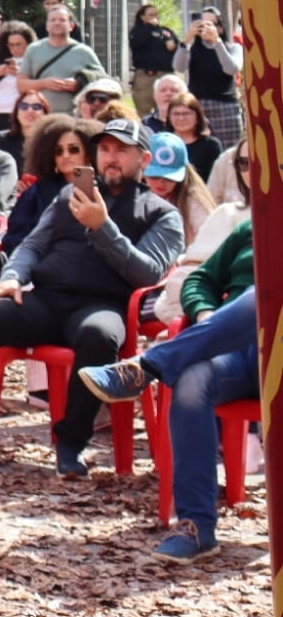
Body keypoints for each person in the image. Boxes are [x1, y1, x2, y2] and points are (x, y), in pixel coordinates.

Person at [0, 119, 183, 478]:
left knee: (99, 336)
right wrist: (13, 277)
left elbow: (148, 273)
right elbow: (33, 243)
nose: (111, 158)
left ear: (143, 160)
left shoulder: (161, 213)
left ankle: (71, 443)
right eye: (106, 149)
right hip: (47, 300)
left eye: (121, 151)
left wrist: (103, 228)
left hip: (103, 306)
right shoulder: (69, 195)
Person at [78, 192, 256, 562]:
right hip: (238, 351)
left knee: (263, 295)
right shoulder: (253, 230)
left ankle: (146, 367)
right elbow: (199, 280)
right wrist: (207, 315)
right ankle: (197, 527)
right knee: (191, 382)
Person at [153, 136, 250, 325]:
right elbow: (193, 277)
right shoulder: (229, 214)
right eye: (244, 163)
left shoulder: (193, 201)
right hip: (225, 323)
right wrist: (205, 315)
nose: (254, 170)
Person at [5, 115, 103, 253]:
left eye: (73, 149)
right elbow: (14, 238)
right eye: (58, 151)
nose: (65, 155)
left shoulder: (104, 189)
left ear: (88, 154)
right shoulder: (36, 192)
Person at [174, 7, 245, 147]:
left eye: (210, 24)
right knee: (199, 150)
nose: (205, 28)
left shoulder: (232, 48)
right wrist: (187, 39)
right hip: (197, 107)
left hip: (225, 107)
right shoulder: (191, 49)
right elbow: (179, 67)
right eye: (201, 24)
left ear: (220, 28)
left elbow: (232, 68)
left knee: (228, 153)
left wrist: (217, 43)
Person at [17, 4, 104, 115]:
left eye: (62, 20)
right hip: (40, 116)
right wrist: (44, 83)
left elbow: (103, 80)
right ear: (47, 25)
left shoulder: (84, 51)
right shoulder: (33, 49)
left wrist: (79, 83)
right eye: (53, 20)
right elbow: (21, 84)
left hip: (74, 116)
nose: (57, 23)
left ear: (71, 26)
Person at [161, 90, 222, 190]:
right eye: (176, 114)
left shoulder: (211, 145)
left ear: (198, 117)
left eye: (186, 113)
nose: (181, 118)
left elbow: (215, 182)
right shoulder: (161, 143)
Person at [127, 3, 179, 119]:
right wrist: (149, 27)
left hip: (165, 75)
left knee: (170, 109)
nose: (155, 17)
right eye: (151, 15)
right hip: (146, 76)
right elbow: (136, 43)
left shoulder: (165, 31)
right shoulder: (137, 31)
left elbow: (177, 44)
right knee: (144, 112)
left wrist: (174, 44)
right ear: (142, 17)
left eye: (156, 14)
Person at [0, 21, 36, 129]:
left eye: (19, 44)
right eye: (11, 45)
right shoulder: (2, 62)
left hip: (19, 114)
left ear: (28, 43)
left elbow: (38, 84)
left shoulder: (34, 63)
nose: (15, 48)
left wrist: (21, 74)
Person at [0, 89, 50, 167]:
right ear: (17, 112)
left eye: (36, 107)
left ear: (45, 113)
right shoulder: (1, 140)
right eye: (24, 106)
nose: (30, 110)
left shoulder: (53, 141)